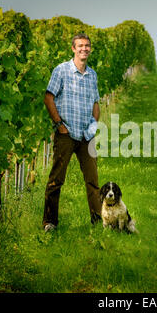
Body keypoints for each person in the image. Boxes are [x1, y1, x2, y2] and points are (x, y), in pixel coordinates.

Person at [42, 33, 102, 232]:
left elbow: (95, 103)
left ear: (90, 49)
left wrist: (93, 127)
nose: (84, 49)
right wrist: (59, 124)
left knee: (93, 181)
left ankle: (98, 221)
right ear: (73, 49)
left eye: (87, 46)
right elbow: (49, 97)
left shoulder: (92, 75)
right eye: (80, 46)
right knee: (56, 179)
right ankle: (50, 222)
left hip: (87, 136)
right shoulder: (61, 70)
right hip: (66, 133)